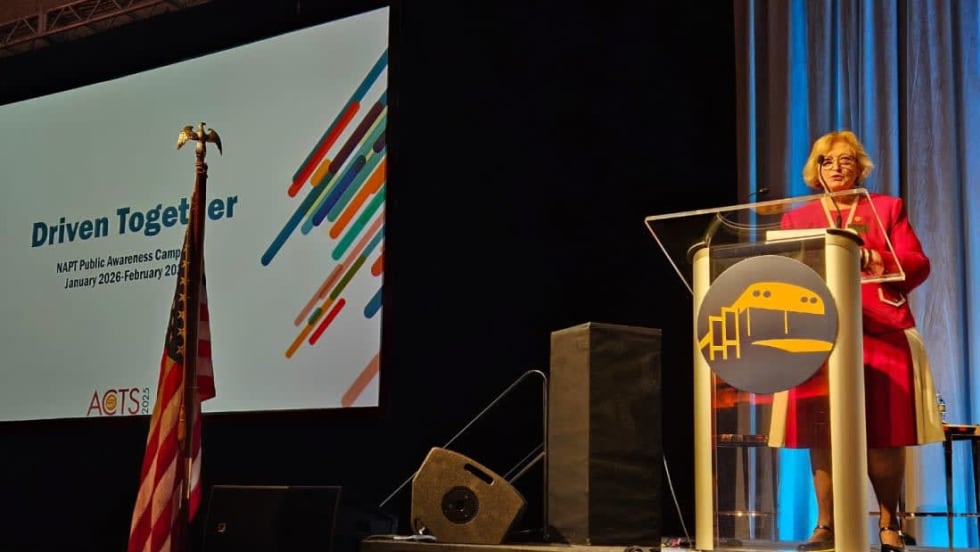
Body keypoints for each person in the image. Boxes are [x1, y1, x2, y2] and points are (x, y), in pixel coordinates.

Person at [769, 130, 944, 552]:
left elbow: (917, 263)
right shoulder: (796, 219)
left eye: (846, 160)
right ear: (815, 171)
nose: (837, 167)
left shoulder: (885, 208)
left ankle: (889, 523)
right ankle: (826, 527)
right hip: (817, 335)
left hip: (880, 329)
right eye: (827, 161)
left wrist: (874, 257)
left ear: (859, 167)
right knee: (820, 431)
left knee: (884, 431)